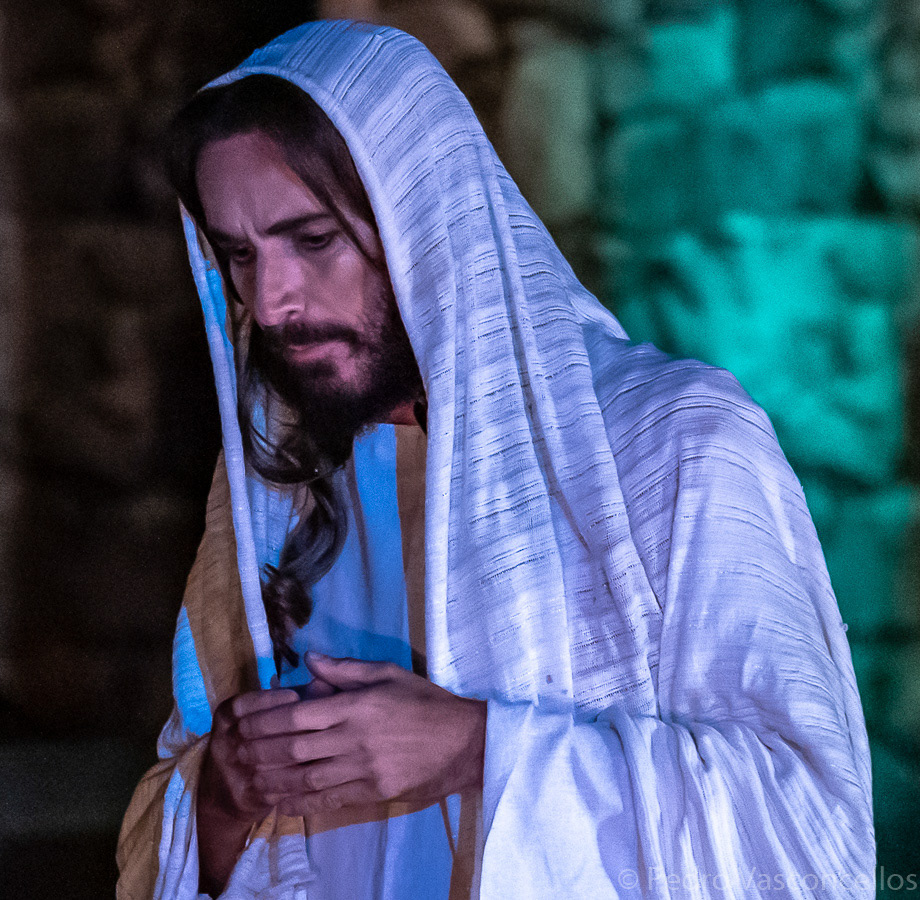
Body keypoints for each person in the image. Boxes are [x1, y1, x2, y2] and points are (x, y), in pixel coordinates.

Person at [116, 20, 874, 900]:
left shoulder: (670, 443)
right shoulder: (273, 488)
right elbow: (178, 814)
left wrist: (476, 748)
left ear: (427, 220)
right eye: (240, 254)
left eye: (314, 240)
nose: (272, 299)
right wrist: (225, 791)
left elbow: (813, 837)